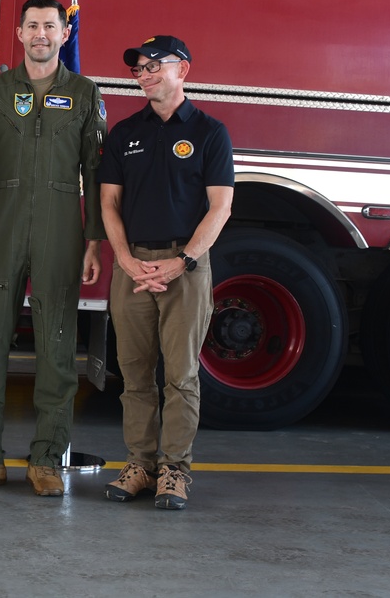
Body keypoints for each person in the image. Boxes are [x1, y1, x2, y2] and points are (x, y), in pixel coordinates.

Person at [0, 0, 106, 497]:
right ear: (18, 34)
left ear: (63, 34)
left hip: (61, 229)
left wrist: (95, 241)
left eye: (50, 26)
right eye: (32, 25)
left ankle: (47, 460)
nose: (40, 34)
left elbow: (96, 175)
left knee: (56, 348)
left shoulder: (84, 93)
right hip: (2, 227)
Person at [99, 35, 234, 510]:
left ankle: (175, 470)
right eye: (139, 68)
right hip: (133, 265)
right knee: (134, 375)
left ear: (185, 71)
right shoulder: (123, 133)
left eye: (156, 65)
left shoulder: (210, 132)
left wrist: (184, 263)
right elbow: (108, 203)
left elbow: (220, 208)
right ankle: (139, 463)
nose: (145, 73)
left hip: (186, 267)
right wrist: (125, 258)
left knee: (180, 376)